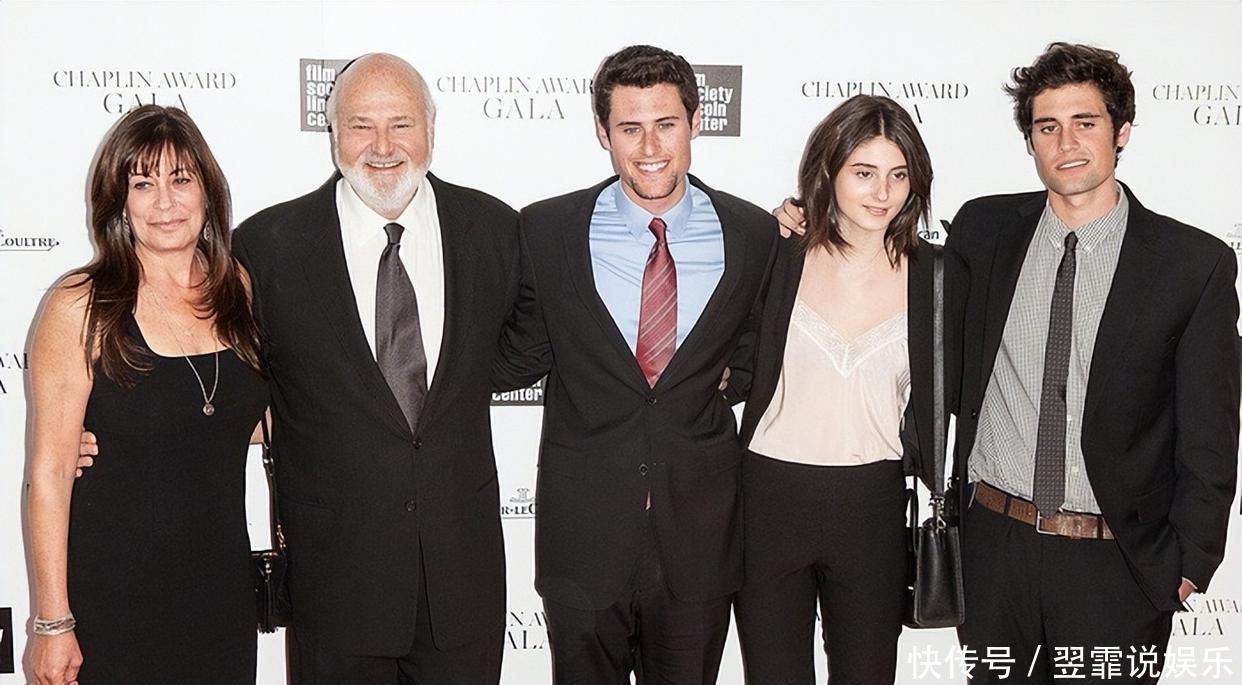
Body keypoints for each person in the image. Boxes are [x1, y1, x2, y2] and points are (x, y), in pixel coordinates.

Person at [945, 43, 1239, 681]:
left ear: (1121, 131)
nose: (1066, 143)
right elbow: (898, 284)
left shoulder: (1192, 265)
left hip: (1117, 565)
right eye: (1047, 126)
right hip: (994, 550)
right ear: (1030, 140)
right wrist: (797, 231)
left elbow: (1211, 434)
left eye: (1085, 122)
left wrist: (1189, 562)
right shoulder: (983, 231)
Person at [493, 45, 777, 683]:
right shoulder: (547, 231)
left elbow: (759, 352)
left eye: (666, 124)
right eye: (629, 128)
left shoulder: (753, 234)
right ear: (603, 132)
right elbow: (516, 353)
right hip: (583, 539)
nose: (650, 147)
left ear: (696, 121)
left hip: (699, 539)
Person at [230, 53, 518, 683]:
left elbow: (531, 347)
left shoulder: (495, 230)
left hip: (461, 581)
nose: (382, 147)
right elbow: (221, 379)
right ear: (333, 132)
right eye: (361, 125)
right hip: (334, 581)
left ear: (431, 128)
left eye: (401, 124)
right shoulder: (267, 245)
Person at [28, 104, 266, 684]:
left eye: (181, 179)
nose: (165, 202)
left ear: (207, 192)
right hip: (116, 600)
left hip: (221, 596)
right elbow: (50, 474)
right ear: (119, 201)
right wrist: (52, 622)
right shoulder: (82, 304)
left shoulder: (238, 288)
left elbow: (247, 419)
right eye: (143, 184)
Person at [733, 95, 937, 684]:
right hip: (768, 496)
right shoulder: (777, 254)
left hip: (872, 500)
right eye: (864, 172)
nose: (882, 192)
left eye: (898, 175)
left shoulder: (937, 276)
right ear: (829, 171)